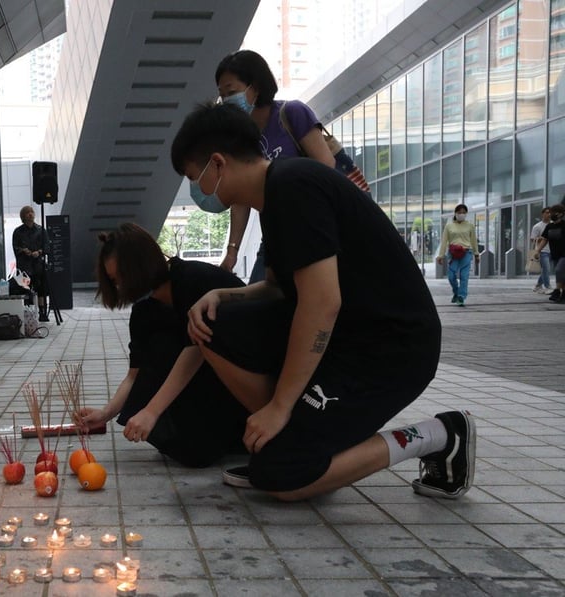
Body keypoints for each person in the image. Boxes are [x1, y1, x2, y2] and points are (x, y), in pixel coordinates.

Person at [170, 102, 474, 501]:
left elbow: (322, 302)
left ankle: (439, 434)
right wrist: (220, 294)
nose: (199, 192)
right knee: (215, 321)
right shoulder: (275, 199)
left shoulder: (295, 185)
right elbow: (279, 290)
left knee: (282, 475)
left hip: (391, 348)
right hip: (347, 341)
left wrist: (280, 405)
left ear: (217, 163)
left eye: (196, 179)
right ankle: (298, 439)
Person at [77, 224, 249, 466]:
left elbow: (197, 349)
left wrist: (152, 412)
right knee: (189, 449)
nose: (120, 288)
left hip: (248, 374)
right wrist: (106, 413)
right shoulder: (144, 312)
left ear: (140, 266)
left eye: (121, 279)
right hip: (207, 384)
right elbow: (134, 375)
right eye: (114, 282)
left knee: (167, 348)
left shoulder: (193, 279)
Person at [202, 50, 335, 281]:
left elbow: (326, 167)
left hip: (312, 228)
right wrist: (231, 252)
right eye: (222, 96)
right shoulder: (240, 140)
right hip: (274, 234)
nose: (226, 101)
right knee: (262, 302)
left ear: (256, 88)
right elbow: (240, 199)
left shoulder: (291, 113)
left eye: (232, 92)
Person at [436, 204, 479, 307]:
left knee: (464, 276)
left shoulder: (470, 225)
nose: (462, 214)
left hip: (466, 253)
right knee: (451, 276)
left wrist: (476, 254)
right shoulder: (449, 226)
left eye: (464, 212)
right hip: (453, 254)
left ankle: (461, 296)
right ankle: (456, 292)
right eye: (460, 212)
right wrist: (440, 255)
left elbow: (473, 241)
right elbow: (444, 241)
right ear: (455, 213)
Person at [12, 205, 49, 322]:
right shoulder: (18, 232)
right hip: (24, 267)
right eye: (27, 212)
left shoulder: (41, 230)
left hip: (38, 265)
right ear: (23, 216)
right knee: (25, 290)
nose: (30, 214)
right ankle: (28, 314)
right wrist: (24, 250)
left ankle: (43, 313)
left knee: (41, 289)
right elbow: (15, 247)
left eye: (32, 212)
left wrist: (39, 252)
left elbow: (47, 247)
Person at [535, 203, 565, 303]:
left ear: (561, 214)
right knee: (560, 274)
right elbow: (544, 240)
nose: (551, 214)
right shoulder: (549, 226)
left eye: (553, 212)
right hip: (555, 253)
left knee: (559, 270)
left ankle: (557, 290)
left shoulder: (564, 225)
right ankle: (562, 293)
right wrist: (538, 250)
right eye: (550, 212)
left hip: (564, 254)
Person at [531, 207, 552, 294]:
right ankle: (548, 287)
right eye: (547, 212)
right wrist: (541, 238)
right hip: (542, 251)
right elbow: (532, 239)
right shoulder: (537, 226)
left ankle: (538, 285)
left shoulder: (553, 224)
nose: (549, 214)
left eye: (550, 212)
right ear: (542, 214)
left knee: (545, 270)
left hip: (552, 250)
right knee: (546, 269)